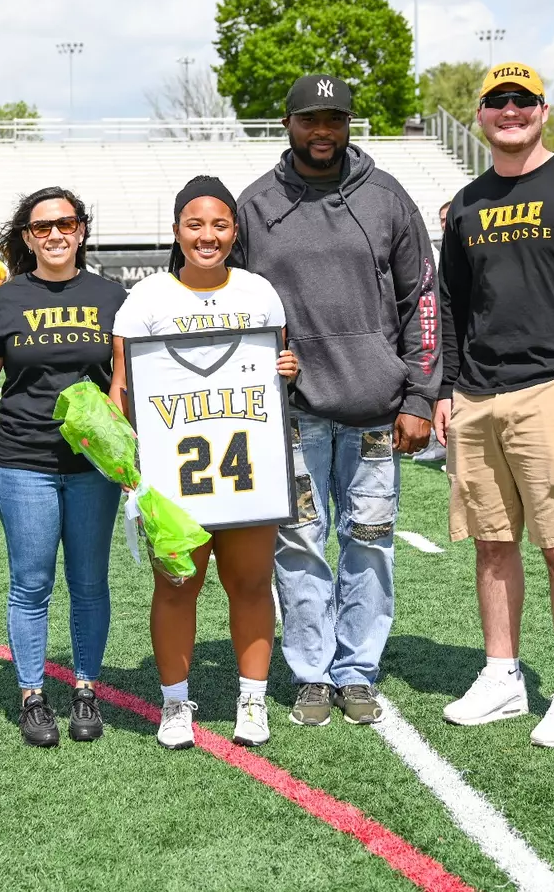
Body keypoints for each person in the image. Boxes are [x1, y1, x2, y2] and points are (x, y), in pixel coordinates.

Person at [434, 62, 554, 749]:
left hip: (552, 388)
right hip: (478, 395)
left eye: (522, 101)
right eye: (497, 102)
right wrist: (446, 389)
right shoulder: (465, 202)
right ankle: (502, 676)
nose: (509, 111)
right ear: (481, 116)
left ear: (543, 110)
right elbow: (454, 305)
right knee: (491, 542)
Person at [235, 74, 439, 728]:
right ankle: (312, 673)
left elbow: (424, 303)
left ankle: (357, 670)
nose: (322, 132)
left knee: (371, 542)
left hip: (376, 411)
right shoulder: (256, 206)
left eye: (335, 119)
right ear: (287, 123)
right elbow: (225, 301)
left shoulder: (386, 199)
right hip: (289, 414)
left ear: (350, 123)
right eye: (309, 120)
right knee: (298, 544)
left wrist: (420, 396)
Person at [109, 176, 299, 751]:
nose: (207, 236)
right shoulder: (145, 298)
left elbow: (274, 371)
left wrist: (286, 369)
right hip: (175, 481)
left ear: (234, 231)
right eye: (195, 224)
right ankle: (174, 705)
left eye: (219, 224)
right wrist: (131, 470)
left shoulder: (259, 292)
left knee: (251, 584)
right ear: (176, 232)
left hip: (248, 473)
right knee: (175, 587)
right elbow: (123, 389)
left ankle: (252, 699)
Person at [0, 188, 127, 748]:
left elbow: (126, 380)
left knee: (90, 583)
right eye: (41, 226)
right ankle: (33, 695)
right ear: (26, 237)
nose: (54, 234)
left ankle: (86, 688)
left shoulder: (113, 297)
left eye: (65, 223)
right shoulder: (2, 301)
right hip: (24, 460)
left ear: (81, 230)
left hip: (93, 463)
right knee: (31, 584)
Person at [413, 202, 455, 465]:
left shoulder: (452, 252)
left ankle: (446, 444)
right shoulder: (437, 249)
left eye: (447, 218)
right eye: (440, 219)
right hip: (434, 324)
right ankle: (437, 440)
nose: (443, 224)